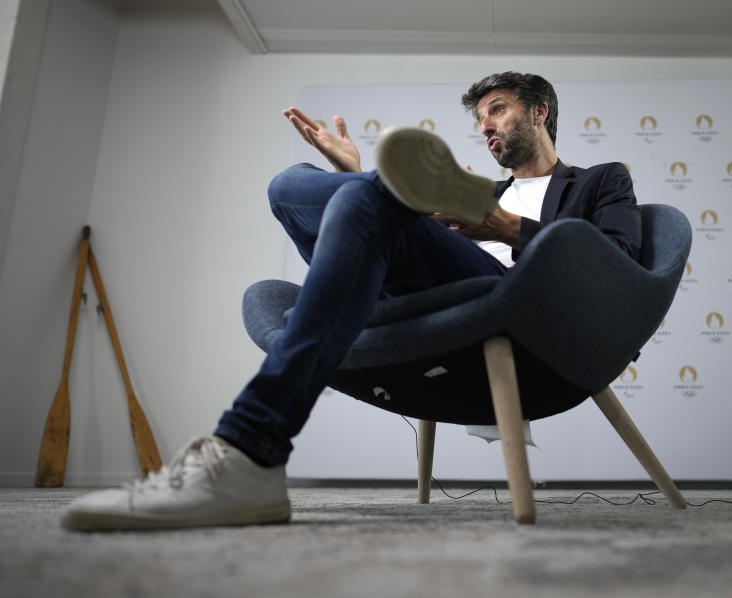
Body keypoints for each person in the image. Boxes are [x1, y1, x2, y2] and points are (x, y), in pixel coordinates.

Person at [62, 72, 644, 531]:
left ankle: (249, 449)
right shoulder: (481, 190)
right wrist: (354, 175)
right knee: (289, 185)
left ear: (539, 112)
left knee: (367, 201)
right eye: (479, 119)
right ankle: (378, 188)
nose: (485, 127)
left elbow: (615, 261)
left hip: (522, 312)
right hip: (434, 300)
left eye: (498, 110)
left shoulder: (599, 181)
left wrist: (504, 226)